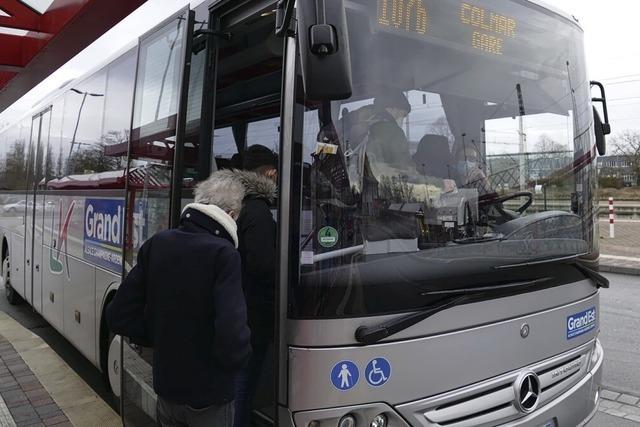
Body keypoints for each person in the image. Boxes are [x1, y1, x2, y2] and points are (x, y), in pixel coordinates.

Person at [106, 171, 251, 427]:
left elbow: (118, 314)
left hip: (167, 390)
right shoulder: (224, 254)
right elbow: (232, 333)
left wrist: (158, 337)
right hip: (210, 396)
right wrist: (235, 365)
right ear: (230, 215)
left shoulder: (157, 244)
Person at [229, 145, 278, 427]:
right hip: (254, 310)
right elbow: (262, 265)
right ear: (270, 172)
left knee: (241, 379)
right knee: (244, 382)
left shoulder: (239, 203)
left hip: (240, 305)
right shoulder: (258, 211)